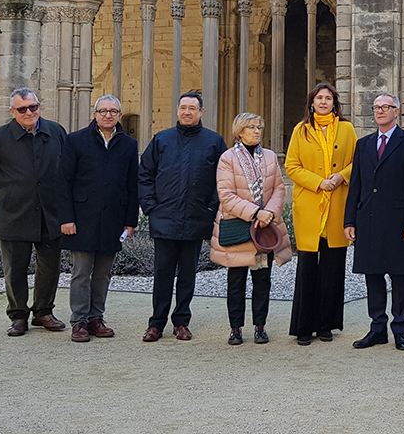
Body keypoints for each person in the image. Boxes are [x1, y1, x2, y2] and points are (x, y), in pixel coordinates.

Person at [0, 87, 68, 337]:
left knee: (50, 267)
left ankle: (43, 312)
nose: (29, 112)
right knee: (15, 269)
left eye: (33, 107)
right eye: (22, 109)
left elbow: (67, 168)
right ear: (12, 111)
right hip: (14, 214)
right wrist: (7, 192)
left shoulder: (56, 132)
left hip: (50, 213)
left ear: (39, 107)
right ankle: (18, 316)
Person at [138, 92, 227, 342]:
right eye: (183, 108)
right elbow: (145, 174)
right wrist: (151, 207)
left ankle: (181, 322)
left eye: (192, 108)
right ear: (177, 110)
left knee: (188, 275)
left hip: (197, 217)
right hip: (164, 218)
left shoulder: (214, 141)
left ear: (201, 112)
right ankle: (156, 323)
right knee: (162, 273)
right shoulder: (162, 139)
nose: (187, 112)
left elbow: (222, 179)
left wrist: (211, 208)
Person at [344, 92, 404, 351]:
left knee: (399, 277)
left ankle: (400, 330)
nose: (380, 111)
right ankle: (377, 328)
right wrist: (349, 221)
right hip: (368, 219)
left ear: (396, 111)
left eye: (385, 107)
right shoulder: (363, 144)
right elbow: (355, 185)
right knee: (373, 275)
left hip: (398, 221)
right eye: (376, 107)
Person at [58, 94, 139, 343]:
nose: (108, 115)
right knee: (81, 272)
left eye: (113, 111)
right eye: (103, 111)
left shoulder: (128, 145)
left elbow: (132, 184)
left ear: (119, 115)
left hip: (113, 217)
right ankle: (79, 321)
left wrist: (130, 221)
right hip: (82, 217)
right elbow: (63, 182)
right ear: (95, 114)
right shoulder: (75, 141)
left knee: (103, 273)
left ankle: (96, 318)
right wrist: (66, 218)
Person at [210, 113, 292, 345]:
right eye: (251, 127)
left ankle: (260, 327)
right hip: (239, 225)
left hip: (264, 229)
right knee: (236, 281)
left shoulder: (270, 156)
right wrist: (256, 213)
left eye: (259, 127)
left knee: (262, 280)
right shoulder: (228, 158)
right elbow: (226, 195)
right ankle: (235, 328)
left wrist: (269, 214)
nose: (257, 131)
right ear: (239, 131)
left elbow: (278, 188)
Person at [285, 83, 357, 345]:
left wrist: (341, 176)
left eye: (328, 98)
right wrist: (318, 182)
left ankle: (326, 325)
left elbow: (356, 161)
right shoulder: (301, 130)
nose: (324, 102)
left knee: (333, 269)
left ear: (334, 103)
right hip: (310, 206)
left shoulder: (347, 129)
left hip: (337, 205)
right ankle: (304, 327)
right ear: (312, 102)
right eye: (319, 98)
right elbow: (291, 166)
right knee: (307, 269)